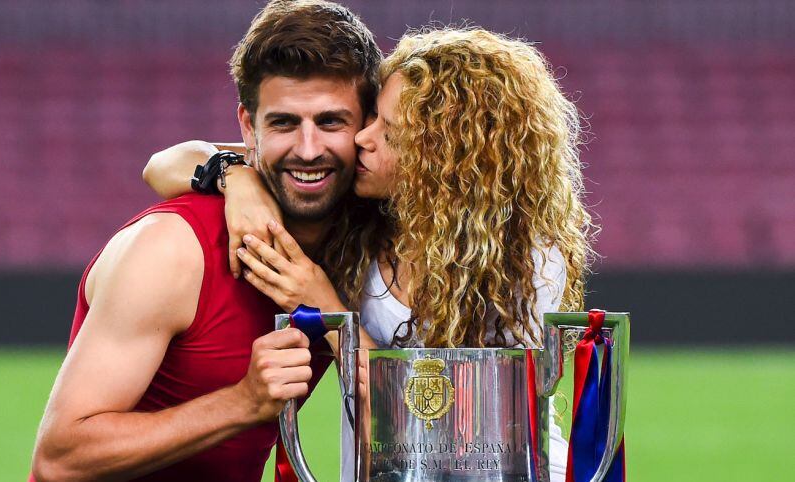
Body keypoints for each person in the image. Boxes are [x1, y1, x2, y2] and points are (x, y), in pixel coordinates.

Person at [146, 28, 593, 482]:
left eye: (391, 133)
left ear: (443, 157)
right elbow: (163, 164)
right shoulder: (362, 207)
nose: (363, 137)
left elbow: (449, 428)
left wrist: (324, 307)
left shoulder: (523, 257)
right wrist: (235, 177)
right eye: (374, 116)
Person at [29, 1, 382, 481]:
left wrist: (324, 305)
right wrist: (242, 402)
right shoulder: (171, 250)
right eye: (283, 123)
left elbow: (412, 428)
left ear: (366, 128)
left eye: (331, 122)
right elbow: (59, 459)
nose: (307, 149)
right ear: (247, 127)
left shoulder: (362, 240)